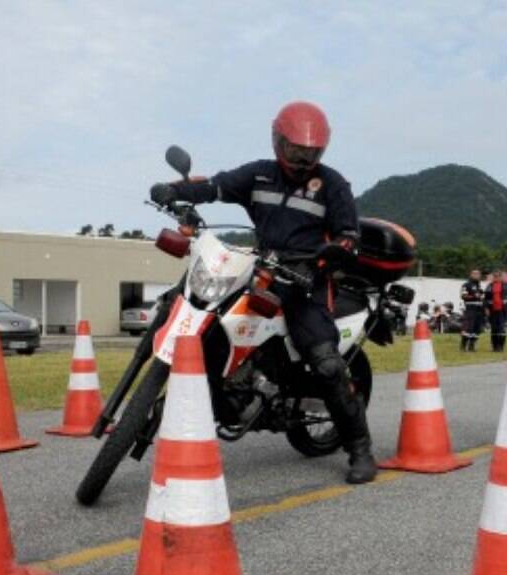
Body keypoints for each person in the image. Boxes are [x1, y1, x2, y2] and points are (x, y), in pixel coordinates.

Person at [149, 101, 375, 484]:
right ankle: (224, 398)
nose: (303, 159)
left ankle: (360, 448)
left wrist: (335, 251)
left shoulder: (333, 185)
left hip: (308, 282)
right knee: (209, 322)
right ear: (277, 141)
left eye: (311, 153)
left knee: (326, 362)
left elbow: (348, 235)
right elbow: (215, 186)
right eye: (295, 150)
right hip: (262, 270)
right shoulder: (259, 175)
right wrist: (174, 189)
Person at [484, 270, 507, 352]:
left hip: (502, 310)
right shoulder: (489, 286)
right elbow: (485, 298)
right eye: (494, 276)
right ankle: (494, 346)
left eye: (498, 276)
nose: (496, 278)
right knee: (494, 328)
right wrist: (486, 308)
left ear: (500, 277)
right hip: (492, 310)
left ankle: (501, 346)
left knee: (501, 328)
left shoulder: (506, 285)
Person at [459, 269, 485, 351]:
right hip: (470, 308)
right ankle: (463, 346)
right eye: (475, 274)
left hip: (479, 309)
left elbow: (482, 297)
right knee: (468, 327)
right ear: (471, 275)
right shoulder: (466, 285)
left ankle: (472, 346)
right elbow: (463, 296)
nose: (477, 275)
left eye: (478, 274)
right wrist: (475, 296)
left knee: (477, 328)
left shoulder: (479, 286)